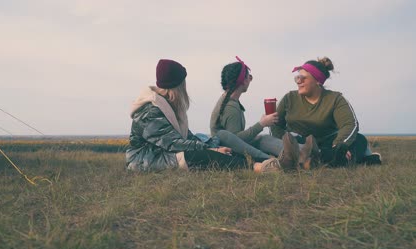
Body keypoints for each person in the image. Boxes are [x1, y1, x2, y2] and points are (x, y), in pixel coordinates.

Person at [126, 59, 280, 172]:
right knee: (194, 155)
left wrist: (213, 147)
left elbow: (186, 136)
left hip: (164, 153)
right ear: (180, 85)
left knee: (210, 148)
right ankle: (257, 167)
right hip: (145, 160)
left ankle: (269, 161)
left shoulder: (169, 105)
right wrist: (210, 149)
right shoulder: (150, 111)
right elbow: (173, 143)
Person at [271, 56, 382, 167]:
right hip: (299, 143)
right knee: (266, 142)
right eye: (297, 78)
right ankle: (346, 159)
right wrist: (286, 140)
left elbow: (350, 124)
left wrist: (338, 145)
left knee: (360, 139)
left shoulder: (335, 99)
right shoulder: (289, 98)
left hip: (328, 143)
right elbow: (275, 125)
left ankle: (330, 158)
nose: (298, 81)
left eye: (303, 78)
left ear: (318, 81)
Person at [210, 56, 305, 170]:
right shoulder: (231, 107)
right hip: (228, 152)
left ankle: (301, 152)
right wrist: (261, 124)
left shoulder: (229, 101)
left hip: (232, 148)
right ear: (243, 81)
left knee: (262, 138)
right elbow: (236, 140)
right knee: (261, 139)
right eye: (249, 77)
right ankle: (294, 156)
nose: (250, 80)